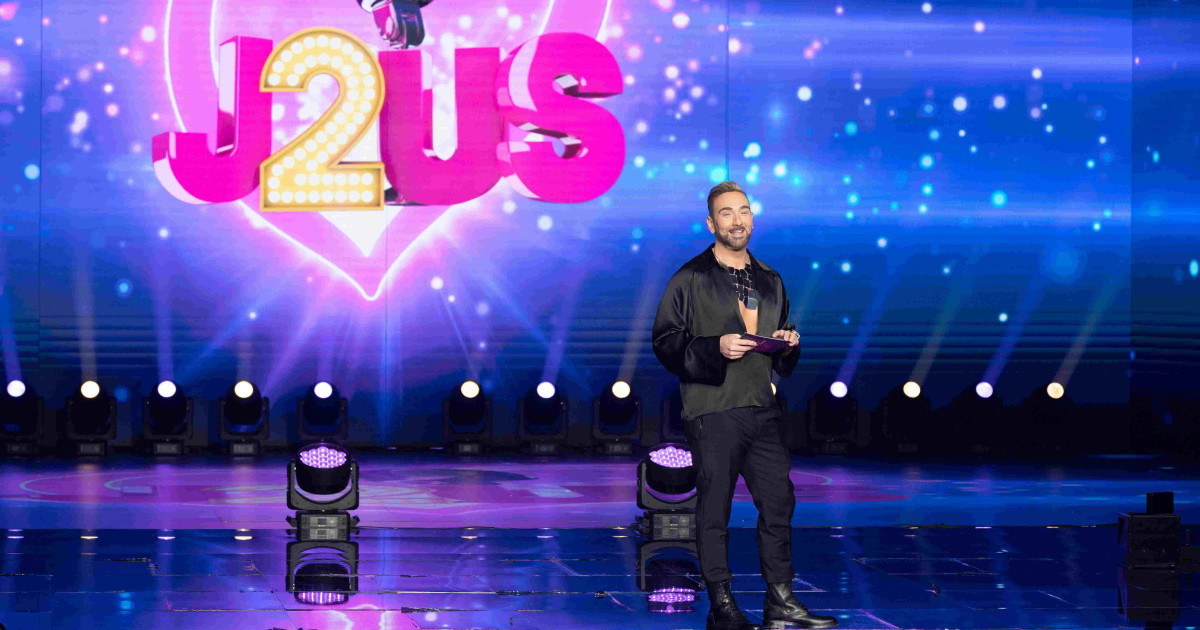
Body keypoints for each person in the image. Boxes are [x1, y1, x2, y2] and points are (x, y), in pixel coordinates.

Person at [652, 181, 837, 630]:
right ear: (711, 223)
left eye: (744, 211)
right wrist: (714, 346)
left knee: (779, 504)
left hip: (762, 407)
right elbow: (665, 340)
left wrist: (789, 342)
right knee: (714, 509)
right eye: (727, 213)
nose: (737, 220)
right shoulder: (690, 278)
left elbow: (780, 341)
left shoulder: (770, 279)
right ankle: (722, 605)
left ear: (752, 218)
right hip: (713, 409)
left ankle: (781, 599)